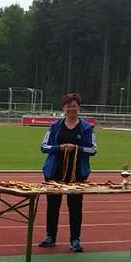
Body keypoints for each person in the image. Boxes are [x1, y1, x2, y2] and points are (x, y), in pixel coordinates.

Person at [38, 93, 97, 252]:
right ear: (63, 108)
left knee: (75, 207)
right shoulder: (55, 126)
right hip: (54, 171)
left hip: (77, 173)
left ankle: (75, 239)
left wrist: (77, 148)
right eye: (68, 106)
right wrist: (60, 148)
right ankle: (50, 236)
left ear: (79, 108)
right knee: (53, 205)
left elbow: (93, 149)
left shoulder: (86, 128)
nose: (71, 109)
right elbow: (44, 147)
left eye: (74, 106)